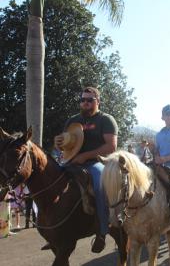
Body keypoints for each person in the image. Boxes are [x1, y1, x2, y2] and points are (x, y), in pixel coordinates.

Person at [54, 86, 118, 253]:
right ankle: (54, 232)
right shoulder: (73, 120)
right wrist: (59, 144)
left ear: (98, 102)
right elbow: (66, 145)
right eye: (83, 100)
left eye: (90, 100)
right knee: (51, 181)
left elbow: (111, 146)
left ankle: (103, 231)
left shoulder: (105, 120)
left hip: (95, 163)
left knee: (99, 185)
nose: (85, 103)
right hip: (71, 162)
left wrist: (86, 156)